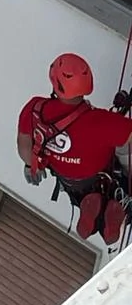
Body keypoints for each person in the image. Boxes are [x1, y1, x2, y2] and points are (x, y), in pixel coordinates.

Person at [17, 53, 132, 245]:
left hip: (70, 180)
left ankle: (92, 203)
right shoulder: (100, 121)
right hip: (102, 171)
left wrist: (30, 166)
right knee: (125, 149)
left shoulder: (34, 108)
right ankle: (115, 201)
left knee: (85, 185)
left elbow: (23, 144)